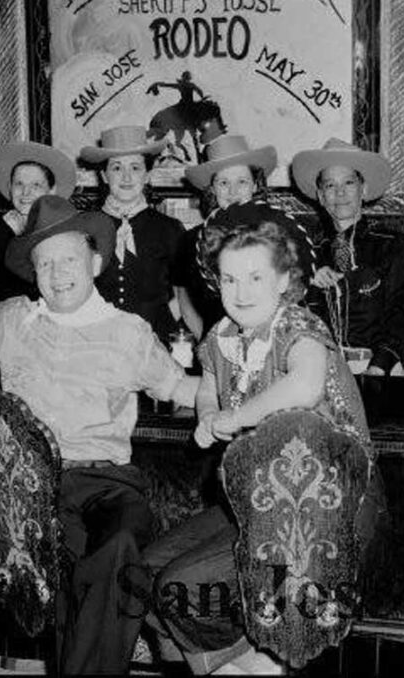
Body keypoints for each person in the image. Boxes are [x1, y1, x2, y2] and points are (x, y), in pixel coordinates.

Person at [0, 195, 199, 675]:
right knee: (73, 566)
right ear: (33, 272)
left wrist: (256, 396)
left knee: (120, 545)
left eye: (69, 260)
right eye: (45, 263)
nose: (58, 274)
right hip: (35, 488)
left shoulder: (128, 331)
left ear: (95, 264)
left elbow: (183, 388)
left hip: (110, 484)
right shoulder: (12, 319)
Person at [143, 216, 373, 676]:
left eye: (255, 277)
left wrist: (234, 417)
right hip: (258, 500)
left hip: (330, 505)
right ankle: (251, 664)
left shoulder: (297, 324)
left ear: (284, 281)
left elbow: (305, 385)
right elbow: (207, 387)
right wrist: (208, 414)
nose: (241, 291)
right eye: (229, 279)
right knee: (144, 572)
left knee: (181, 587)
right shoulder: (222, 335)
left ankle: (263, 662)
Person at [290, 138, 404, 377]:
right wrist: (306, 282)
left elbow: (401, 318)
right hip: (322, 370)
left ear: (364, 189)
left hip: (380, 369)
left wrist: (378, 368)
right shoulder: (308, 253)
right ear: (320, 195)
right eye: (330, 185)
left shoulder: (391, 245)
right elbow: (292, 319)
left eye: (349, 182)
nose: (340, 193)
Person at [79, 124, 187, 347]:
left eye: (135, 168)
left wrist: (159, 324)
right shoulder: (83, 227)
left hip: (155, 342)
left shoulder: (170, 229)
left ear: (147, 175)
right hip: (97, 344)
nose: (126, 177)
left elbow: (184, 294)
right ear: (104, 175)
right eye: (117, 168)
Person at [179, 131, 278, 337]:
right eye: (224, 183)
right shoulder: (191, 241)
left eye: (242, 181)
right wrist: (208, 342)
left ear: (255, 185)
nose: (233, 192)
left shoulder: (278, 236)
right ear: (212, 189)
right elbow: (184, 302)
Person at [0, 140, 76, 303]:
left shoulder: (65, 230)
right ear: (10, 188)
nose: (25, 192)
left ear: (51, 191)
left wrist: (23, 237)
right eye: (19, 184)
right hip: (6, 314)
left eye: (36, 185)